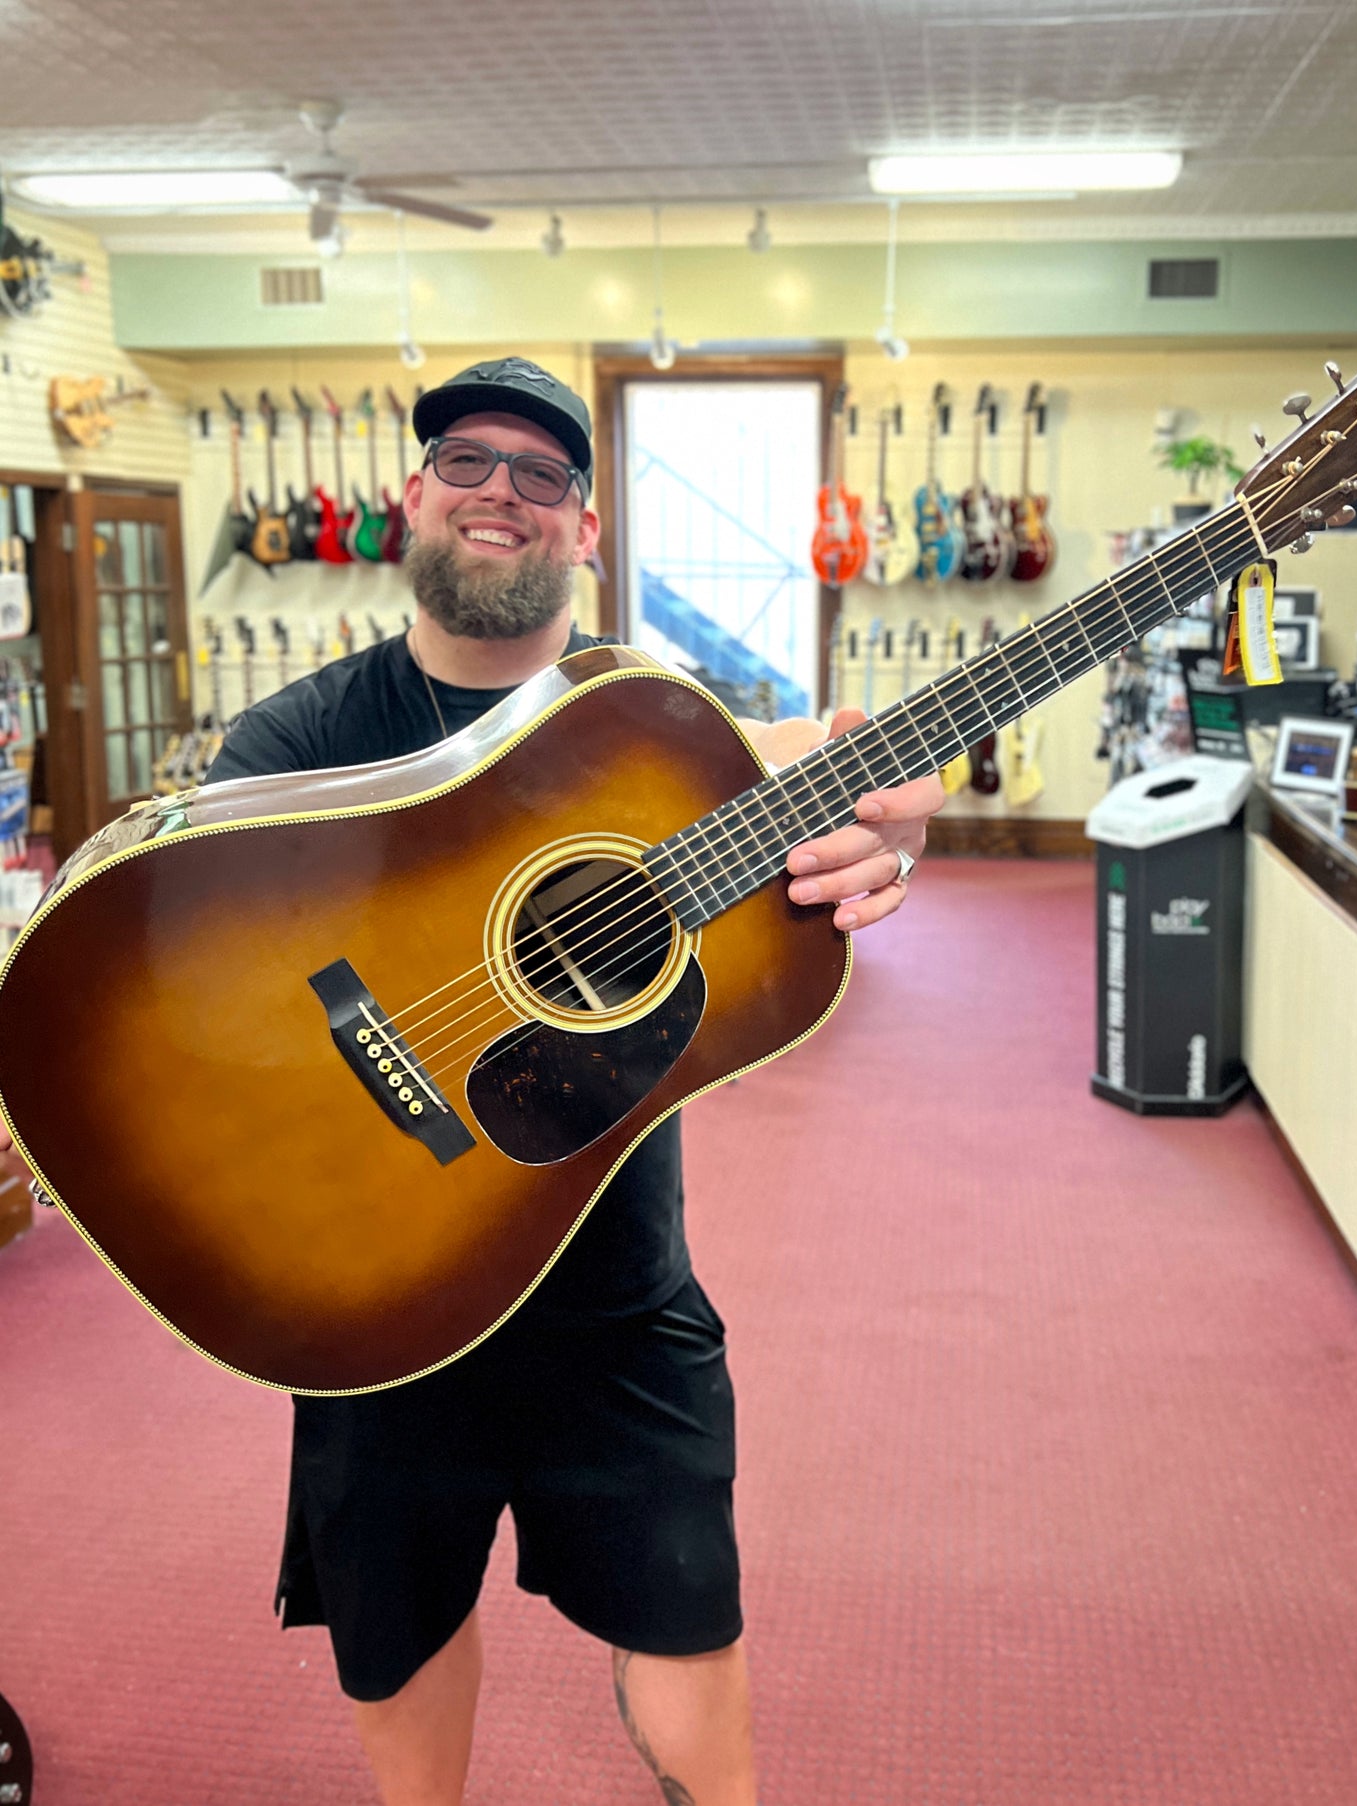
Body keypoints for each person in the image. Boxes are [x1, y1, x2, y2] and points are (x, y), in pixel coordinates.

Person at [7, 356, 939, 1806]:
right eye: (466, 459)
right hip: (375, 1285)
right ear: (410, 500)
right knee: (395, 1639)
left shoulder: (649, 732)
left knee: (692, 1616)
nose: (501, 489)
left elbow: (808, 841)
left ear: (585, 527)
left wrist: (877, 842)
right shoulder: (301, 738)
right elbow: (158, 965)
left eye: (544, 472)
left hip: (613, 1283)